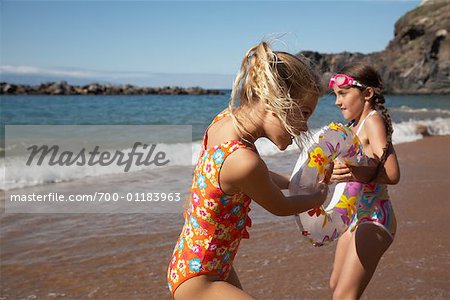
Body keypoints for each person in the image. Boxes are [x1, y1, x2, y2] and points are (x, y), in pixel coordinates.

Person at [167, 41, 329, 299]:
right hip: (201, 278)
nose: (304, 127)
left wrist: (291, 180)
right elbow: (281, 207)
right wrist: (318, 198)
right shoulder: (244, 161)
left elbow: (252, 180)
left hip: (203, 261)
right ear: (273, 100)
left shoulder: (225, 121)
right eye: (304, 112)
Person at [328, 64, 400, 299]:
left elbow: (392, 174)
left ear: (367, 94)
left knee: (344, 296)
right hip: (356, 216)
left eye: (343, 93)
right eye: (336, 95)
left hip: (376, 217)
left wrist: (352, 172)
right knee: (335, 285)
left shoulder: (372, 120)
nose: (338, 102)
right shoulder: (352, 126)